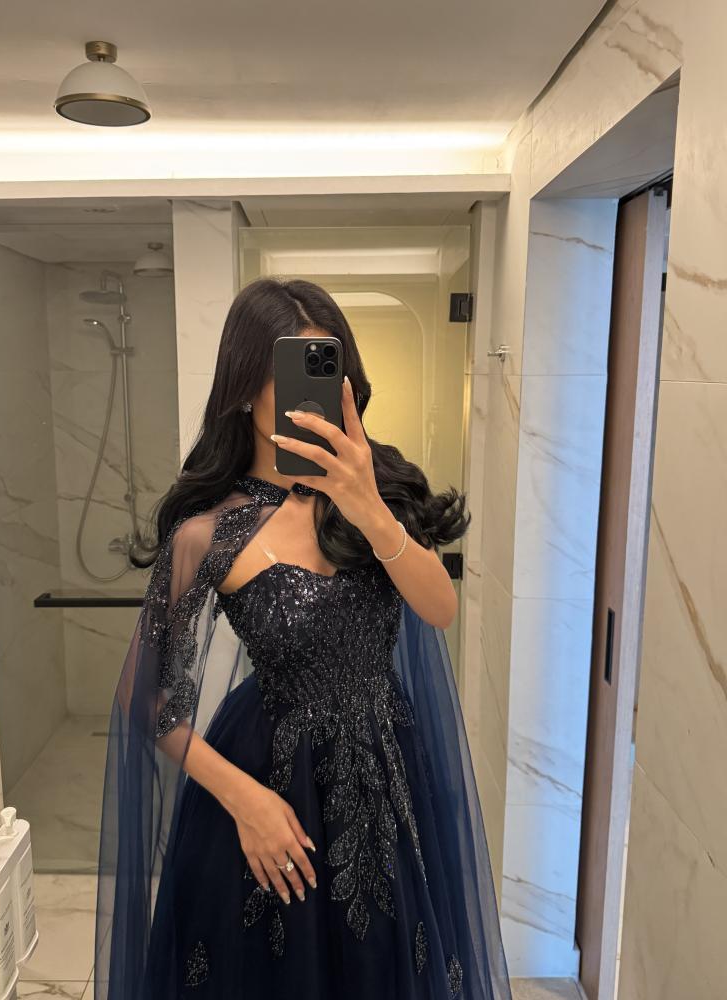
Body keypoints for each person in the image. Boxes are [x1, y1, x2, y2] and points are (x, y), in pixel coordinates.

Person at [94, 277, 512, 999]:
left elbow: (439, 608)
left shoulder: (377, 490)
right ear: (243, 387)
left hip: (389, 775)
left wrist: (368, 506)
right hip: (266, 783)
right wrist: (242, 799)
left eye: (326, 365)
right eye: (286, 370)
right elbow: (144, 693)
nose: (306, 396)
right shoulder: (207, 533)